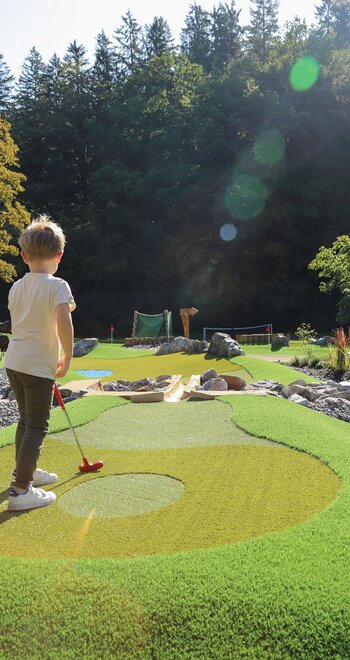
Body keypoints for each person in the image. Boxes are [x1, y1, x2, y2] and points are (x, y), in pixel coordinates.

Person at [4, 215, 76, 511]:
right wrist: (68, 355)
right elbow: (64, 321)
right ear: (59, 254)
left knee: (25, 420)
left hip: (15, 363)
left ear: (23, 256)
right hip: (36, 366)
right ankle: (21, 490)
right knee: (37, 426)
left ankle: (26, 471)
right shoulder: (57, 285)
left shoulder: (16, 288)